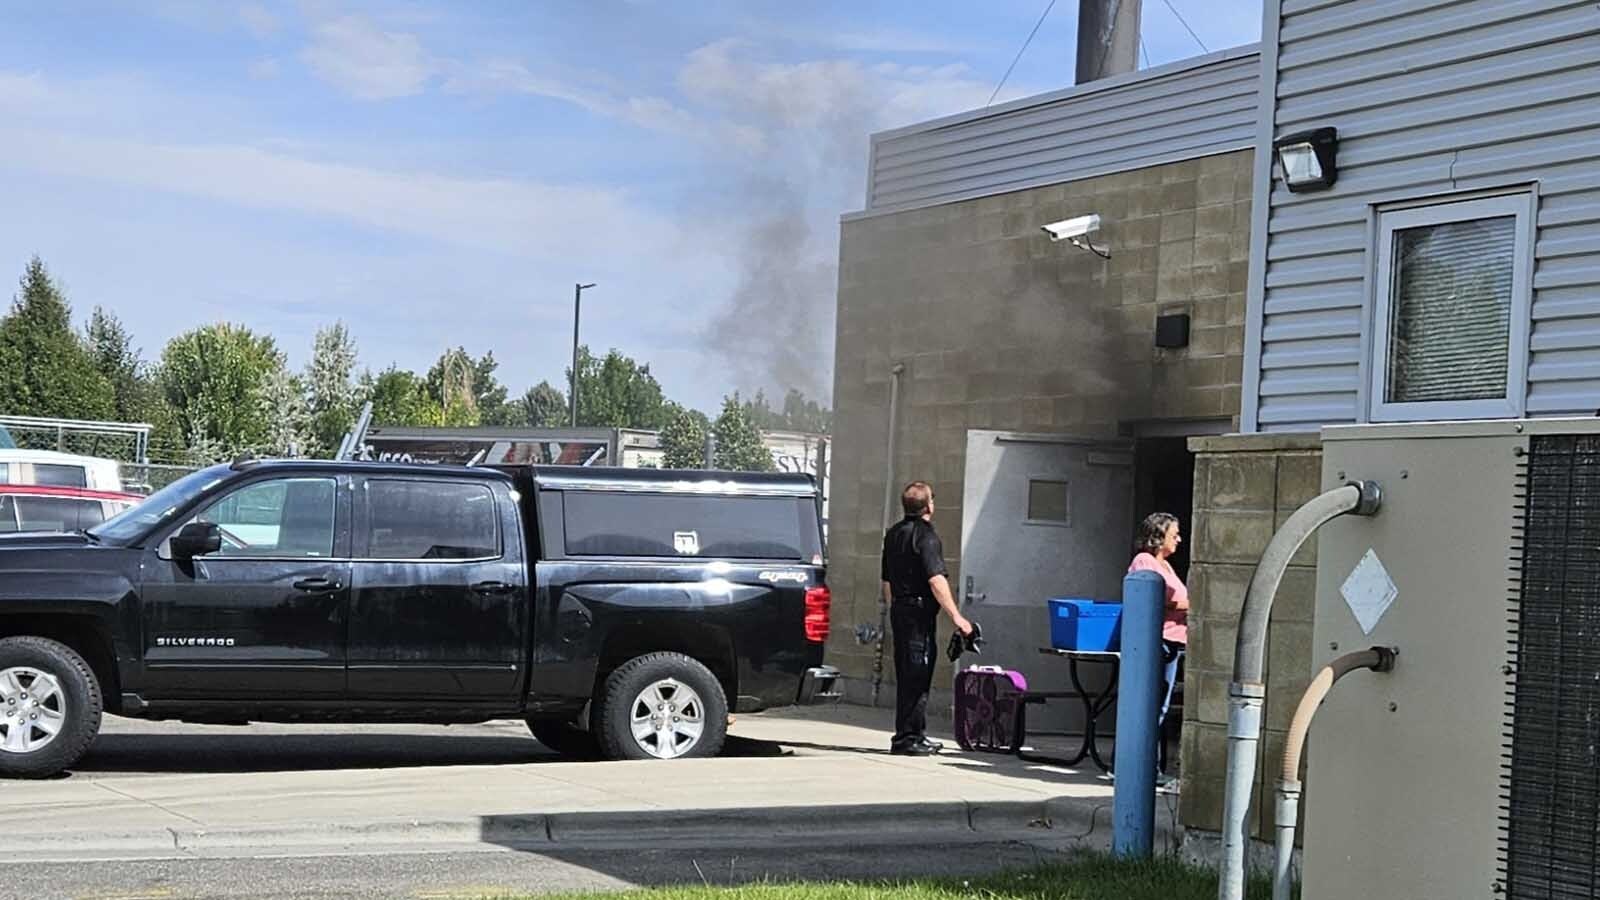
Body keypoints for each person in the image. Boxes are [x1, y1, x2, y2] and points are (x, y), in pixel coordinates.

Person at [882, 481, 974, 756]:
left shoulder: (893, 534)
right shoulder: (926, 537)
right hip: (919, 614)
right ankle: (909, 738)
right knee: (918, 674)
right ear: (929, 506)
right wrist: (957, 617)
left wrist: (895, 608)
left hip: (900, 609)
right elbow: (936, 579)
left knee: (907, 673)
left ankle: (910, 734)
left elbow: (886, 580)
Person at [1128, 512, 1188, 774]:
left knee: (1161, 706)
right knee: (1150, 706)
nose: (1179, 539)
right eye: (1173, 534)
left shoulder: (1166, 565)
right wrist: (1191, 604)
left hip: (1174, 642)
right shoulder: (1145, 561)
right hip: (1158, 642)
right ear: (1158, 535)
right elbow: (1155, 597)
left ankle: (1150, 767)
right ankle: (1137, 766)